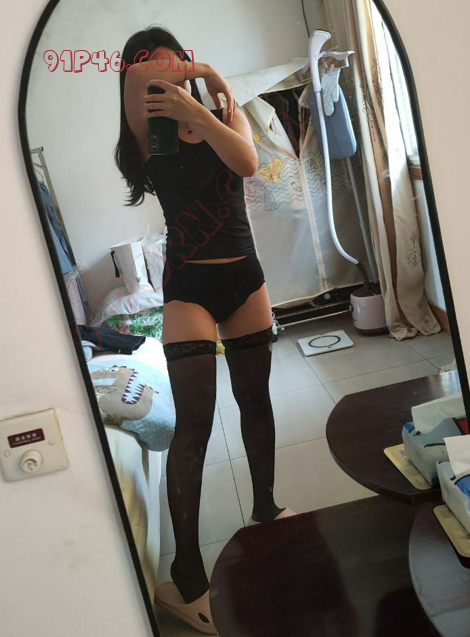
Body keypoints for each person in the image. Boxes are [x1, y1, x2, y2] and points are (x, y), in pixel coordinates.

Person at [115, 26, 293, 634]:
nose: (162, 77)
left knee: (256, 401)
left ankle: (267, 509)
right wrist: (187, 76)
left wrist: (209, 93)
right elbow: (138, 76)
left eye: (174, 63)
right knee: (194, 423)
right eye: (153, 70)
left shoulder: (222, 113)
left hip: (246, 278)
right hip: (188, 285)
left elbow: (247, 162)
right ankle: (187, 575)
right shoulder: (148, 134)